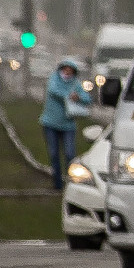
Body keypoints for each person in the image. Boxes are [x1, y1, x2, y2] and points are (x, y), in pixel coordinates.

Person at [41, 59, 91, 189]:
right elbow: (54, 91)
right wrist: (69, 95)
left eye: (70, 70)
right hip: (50, 123)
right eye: (65, 69)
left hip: (68, 125)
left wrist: (79, 97)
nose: (67, 72)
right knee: (54, 154)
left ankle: (71, 184)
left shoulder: (75, 84)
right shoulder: (54, 79)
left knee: (70, 154)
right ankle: (57, 184)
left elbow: (87, 98)